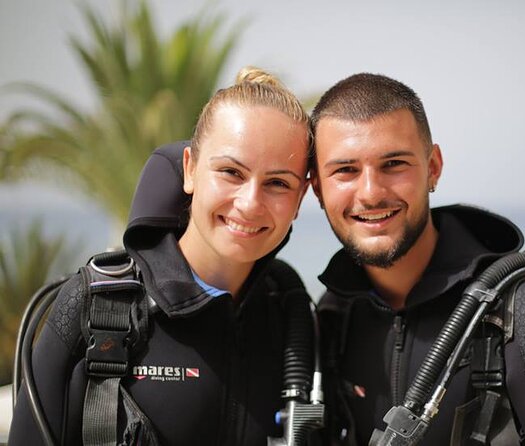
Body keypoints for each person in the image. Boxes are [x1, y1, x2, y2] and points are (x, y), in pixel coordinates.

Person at [310, 73, 525, 445]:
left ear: (434, 168)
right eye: (345, 170)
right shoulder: (334, 317)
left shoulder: (524, 314)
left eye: (394, 163)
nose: (371, 193)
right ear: (317, 187)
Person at [10, 67, 315, 445]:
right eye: (231, 172)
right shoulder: (99, 307)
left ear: (300, 199)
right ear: (190, 169)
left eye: (277, 183)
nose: (250, 203)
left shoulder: (292, 319)